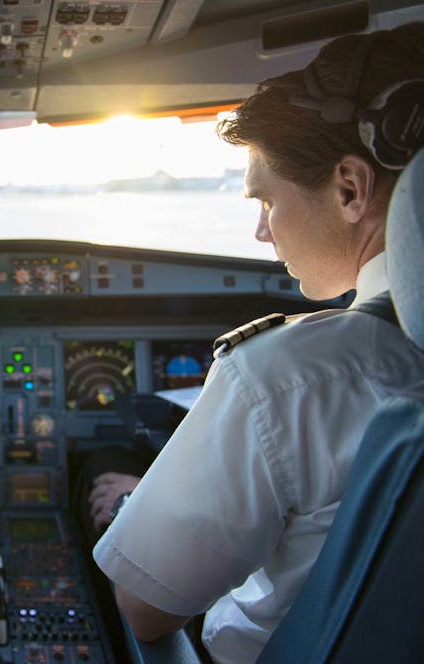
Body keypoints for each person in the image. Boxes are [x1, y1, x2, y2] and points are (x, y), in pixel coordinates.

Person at [91, 22, 424, 663]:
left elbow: (147, 606)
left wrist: (136, 501)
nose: (260, 232)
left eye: (266, 200)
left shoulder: (291, 374)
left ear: (350, 189)